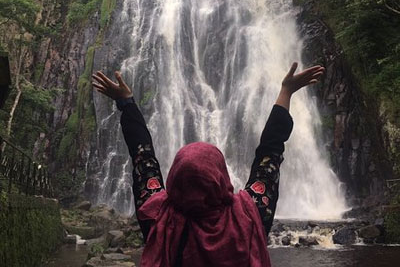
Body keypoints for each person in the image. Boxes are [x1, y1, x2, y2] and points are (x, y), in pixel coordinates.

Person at [92, 62, 325, 267]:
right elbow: (270, 154)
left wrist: (126, 103)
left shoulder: (159, 220)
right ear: (221, 177)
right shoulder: (249, 215)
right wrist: (286, 91)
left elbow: (143, 158)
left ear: (175, 178)